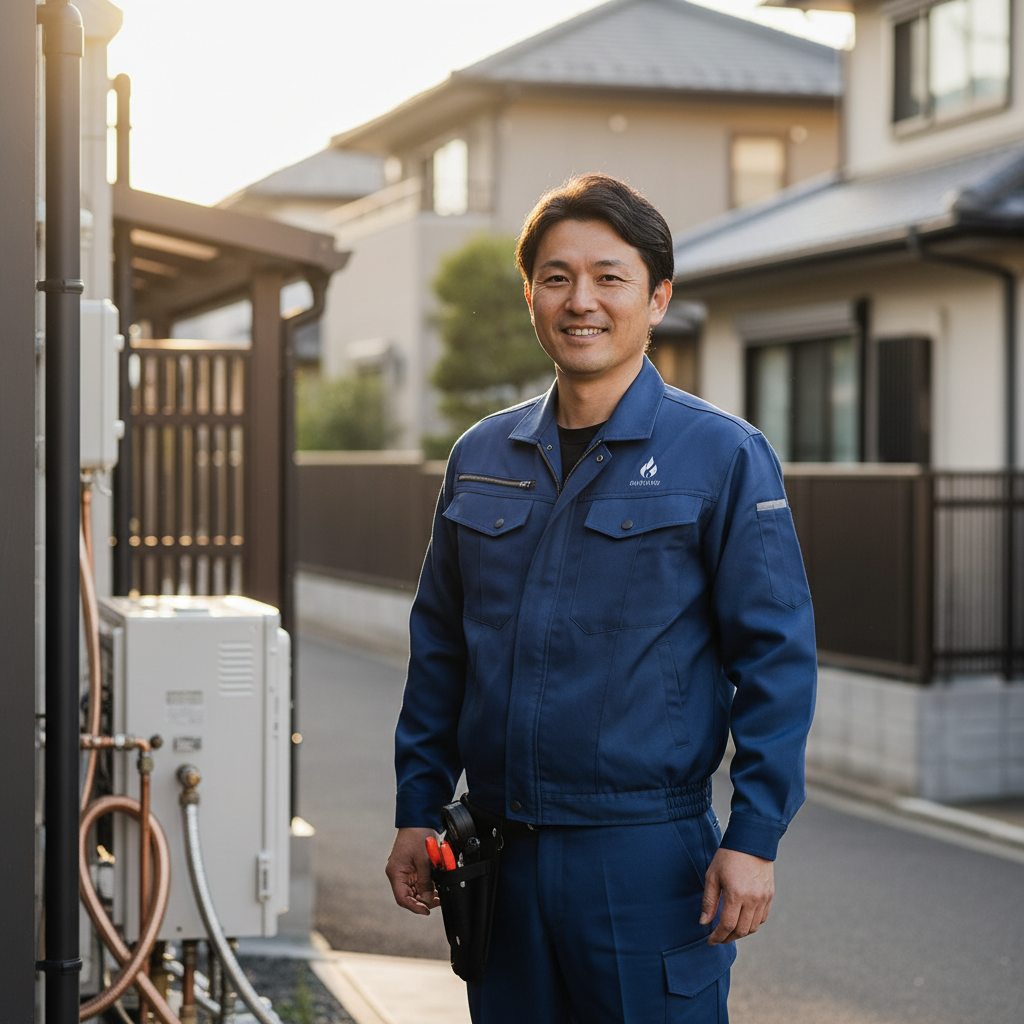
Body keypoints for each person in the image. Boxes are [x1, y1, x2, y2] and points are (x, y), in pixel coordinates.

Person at [386, 173, 816, 1023]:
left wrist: (754, 837)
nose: (581, 300)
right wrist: (416, 808)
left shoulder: (722, 456)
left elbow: (777, 658)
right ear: (531, 295)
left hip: (645, 856)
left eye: (609, 277)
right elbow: (440, 648)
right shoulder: (482, 455)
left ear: (657, 297)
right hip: (499, 856)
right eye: (556, 277)